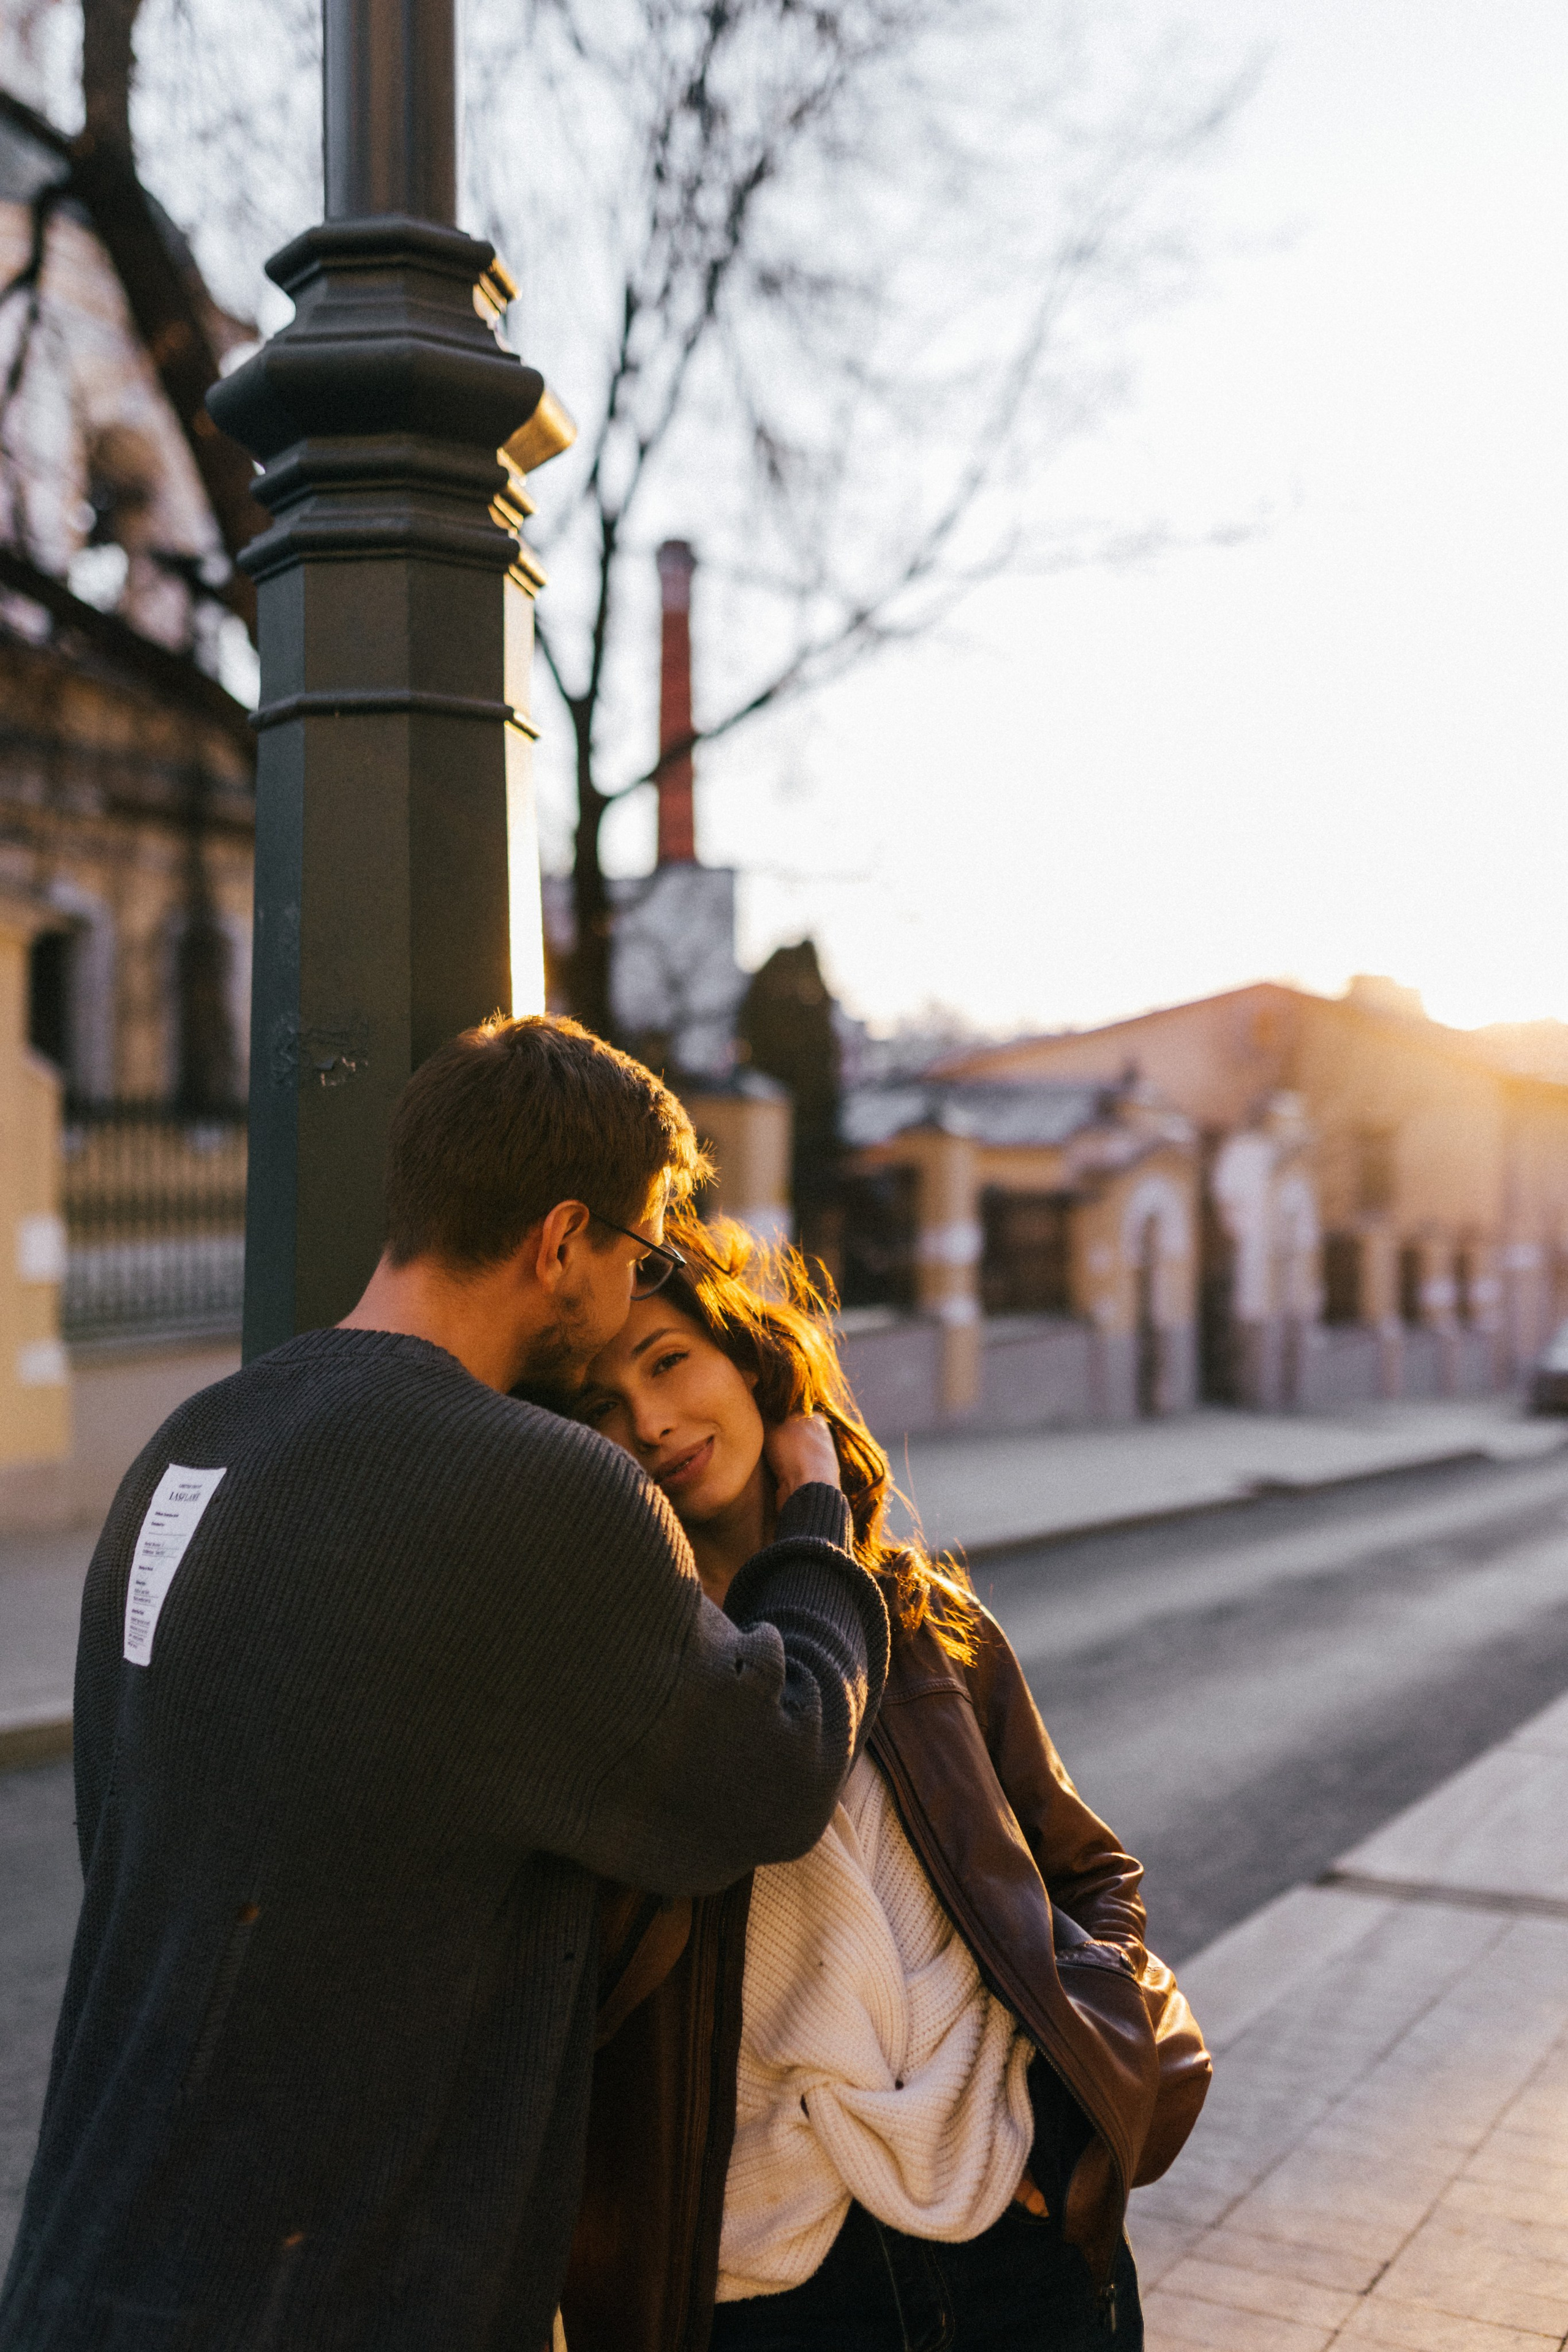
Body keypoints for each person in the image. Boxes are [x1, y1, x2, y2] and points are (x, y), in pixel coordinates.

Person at [0, 1017, 889, 2352]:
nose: (633, 1288)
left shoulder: (191, 1446)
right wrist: (815, 1531)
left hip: (85, 2263)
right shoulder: (543, 1492)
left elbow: (121, 1823)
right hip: (324, 2303)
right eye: (639, 1251)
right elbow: (776, 1769)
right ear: (563, 1240)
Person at [560, 1215, 1211, 2352]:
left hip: (1013, 2241)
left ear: (756, 1369)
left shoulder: (926, 1621)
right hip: (768, 2288)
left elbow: (1090, 1874)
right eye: (603, 1406)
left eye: (669, 1362)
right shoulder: (618, 1672)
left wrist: (1066, 2130)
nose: (651, 1422)